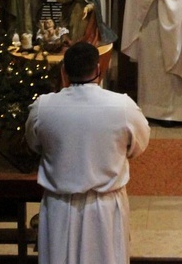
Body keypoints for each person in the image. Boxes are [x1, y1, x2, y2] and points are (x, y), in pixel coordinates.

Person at [25, 41, 150, 264]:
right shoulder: (122, 107)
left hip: (59, 207)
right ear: (99, 70)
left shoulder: (43, 108)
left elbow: (34, 144)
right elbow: (139, 145)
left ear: (64, 72)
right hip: (105, 209)